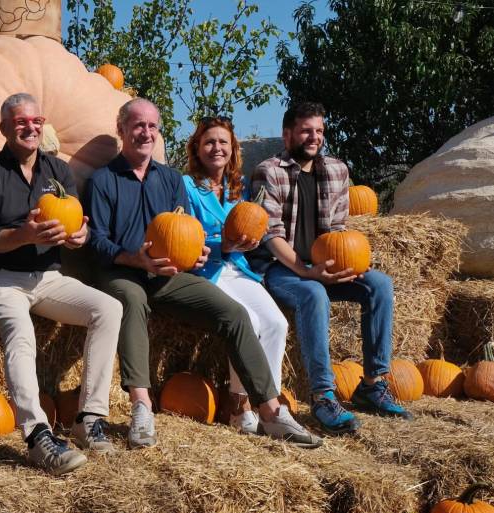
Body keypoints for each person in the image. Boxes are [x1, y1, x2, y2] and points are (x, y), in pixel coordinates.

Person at [84, 98, 322, 448]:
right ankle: (141, 406)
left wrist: (195, 255)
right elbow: (96, 242)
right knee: (132, 301)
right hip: (122, 271)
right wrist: (135, 259)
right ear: (121, 130)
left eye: (152, 126)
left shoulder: (168, 180)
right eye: (138, 125)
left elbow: (184, 231)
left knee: (235, 314)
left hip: (167, 274)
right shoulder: (103, 180)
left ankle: (269, 411)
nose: (146, 132)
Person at [0, 93, 123, 475]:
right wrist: (25, 235)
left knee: (109, 308)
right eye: (20, 122)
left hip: (48, 277)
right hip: (1, 278)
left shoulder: (58, 172)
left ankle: (89, 418)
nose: (29, 128)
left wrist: (78, 236)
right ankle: (38, 435)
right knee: (21, 334)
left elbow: (75, 224)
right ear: (4, 128)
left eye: (35, 121)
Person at [250, 101, 410, 435]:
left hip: (324, 265)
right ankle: (323, 395)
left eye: (320, 131)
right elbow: (269, 234)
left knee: (378, 284)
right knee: (312, 293)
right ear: (288, 133)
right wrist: (307, 271)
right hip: (283, 268)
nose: (314, 137)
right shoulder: (269, 171)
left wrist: (349, 264)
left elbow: (338, 229)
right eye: (307, 130)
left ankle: (372, 383)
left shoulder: (338, 171)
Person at [183, 115, 303, 436]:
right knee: (248, 321)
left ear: (233, 149)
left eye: (223, 142)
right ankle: (238, 406)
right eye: (209, 142)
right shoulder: (187, 186)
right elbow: (181, 234)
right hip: (209, 270)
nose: (216, 148)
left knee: (277, 323)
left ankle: (271, 406)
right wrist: (222, 242)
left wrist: (249, 241)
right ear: (197, 148)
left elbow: (249, 227)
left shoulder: (239, 189)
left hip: (239, 269)